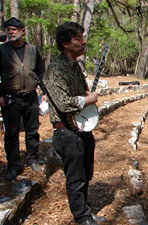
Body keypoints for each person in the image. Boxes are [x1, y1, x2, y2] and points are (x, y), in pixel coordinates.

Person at [43, 22, 102, 225]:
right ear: (66, 43)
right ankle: (82, 218)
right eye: (78, 38)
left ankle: (85, 211)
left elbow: (77, 95)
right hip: (67, 133)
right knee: (75, 178)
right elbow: (63, 102)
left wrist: (87, 94)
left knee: (86, 174)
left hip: (82, 129)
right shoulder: (56, 69)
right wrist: (89, 100)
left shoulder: (74, 66)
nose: (83, 42)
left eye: (82, 37)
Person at [0, 17, 46, 181]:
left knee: (32, 131)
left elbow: (41, 73)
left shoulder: (33, 50)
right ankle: (13, 166)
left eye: (14, 29)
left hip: (31, 96)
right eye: (8, 29)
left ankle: (32, 160)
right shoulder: (2, 50)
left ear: (23, 31)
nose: (11, 32)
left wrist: (45, 93)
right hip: (10, 98)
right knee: (11, 133)